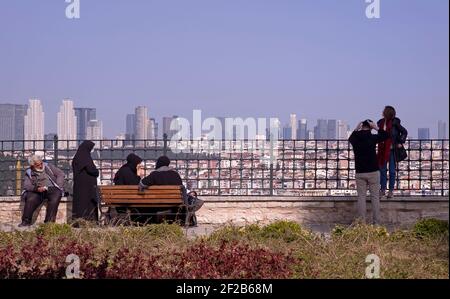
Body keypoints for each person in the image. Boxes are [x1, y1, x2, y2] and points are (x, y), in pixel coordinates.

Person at [349, 120, 389, 224]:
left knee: (361, 197)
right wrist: (376, 128)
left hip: (360, 171)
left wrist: (356, 128)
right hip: (373, 171)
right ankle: (376, 223)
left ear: (361, 126)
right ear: (370, 127)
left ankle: (362, 223)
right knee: (375, 197)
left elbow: (350, 138)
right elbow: (386, 136)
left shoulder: (355, 138)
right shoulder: (372, 137)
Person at [19, 155, 65, 227]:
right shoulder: (29, 172)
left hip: (51, 188)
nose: (40, 166)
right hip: (37, 190)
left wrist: (59, 186)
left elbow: (60, 174)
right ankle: (26, 221)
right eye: (38, 165)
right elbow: (27, 185)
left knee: (56, 196)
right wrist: (36, 189)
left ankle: (49, 222)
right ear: (33, 165)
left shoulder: (48, 167)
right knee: (31, 199)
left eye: (41, 163)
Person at [139, 156, 183, 223]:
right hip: (174, 204)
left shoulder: (154, 175)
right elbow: (181, 188)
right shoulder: (175, 175)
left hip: (157, 204)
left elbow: (142, 184)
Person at [377, 106, 408, 198]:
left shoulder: (395, 123)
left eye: (384, 111)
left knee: (392, 171)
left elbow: (404, 132)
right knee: (382, 170)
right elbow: (380, 135)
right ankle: (382, 189)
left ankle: (390, 191)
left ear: (386, 112)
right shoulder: (381, 123)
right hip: (383, 150)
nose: (382, 112)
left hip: (392, 150)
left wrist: (400, 142)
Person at [72, 140, 99, 222]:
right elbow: (91, 169)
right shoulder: (85, 157)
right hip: (87, 185)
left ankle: (79, 221)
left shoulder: (78, 156)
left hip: (79, 184)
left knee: (80, 203)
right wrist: (97, 172)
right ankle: (90, 221)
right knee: (88, 203)